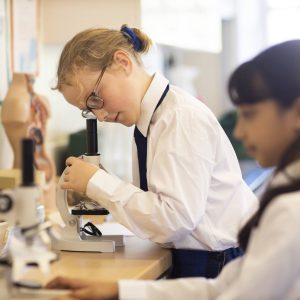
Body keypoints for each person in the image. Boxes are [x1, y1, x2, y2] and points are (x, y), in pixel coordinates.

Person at [46, 39, 300, 300]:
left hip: (210, 259)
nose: (99, 115)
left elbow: (173, 219)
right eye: (88, 110)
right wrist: (119, 291)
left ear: (122, 62)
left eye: (95, 97)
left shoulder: (179, 117)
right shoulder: (152, 119)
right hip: (206, 265)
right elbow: (221, 289)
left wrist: (98, 183)